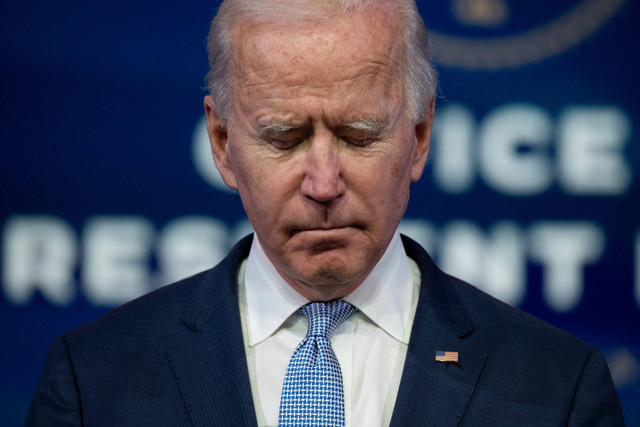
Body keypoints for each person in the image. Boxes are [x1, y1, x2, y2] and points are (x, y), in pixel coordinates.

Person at [27, 0, 624, 425]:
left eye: (359, 135)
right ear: (221, 143)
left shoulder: (558, 389)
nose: (323, 183)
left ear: (419, 137)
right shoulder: (93, 383)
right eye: (283, 137)